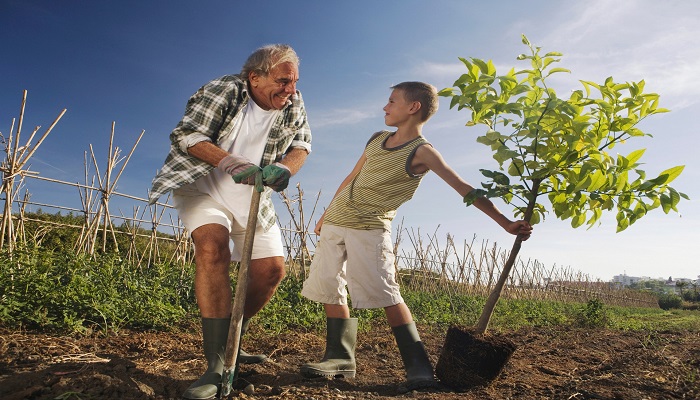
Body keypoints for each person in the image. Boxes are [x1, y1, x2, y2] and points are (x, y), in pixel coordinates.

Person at [299, 81, 532, 391]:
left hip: (369, 228)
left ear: (413, 108)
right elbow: (351, 177)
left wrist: (504, 222)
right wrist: (326, 213)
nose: (385, 107)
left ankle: (419, 367)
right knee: (328, 285)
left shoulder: (422, 151)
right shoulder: (376, 139)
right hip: (337, 222)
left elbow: (464, 188)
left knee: (386, 292)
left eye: (391, 101)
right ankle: (340, 357)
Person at [148, 44, 311, 400]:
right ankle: (216, 365)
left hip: (253, 196)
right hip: (203, 187)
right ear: (255, 77)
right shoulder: (224, 90)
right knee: (212, 248)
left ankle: (232, 342)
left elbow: (301, 145)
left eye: (294, 82)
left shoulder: (294, 103)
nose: (291, 90)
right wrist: (230, 162)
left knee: (271, 271)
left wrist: (285, 168)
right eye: (283, 81)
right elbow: (187, 135)